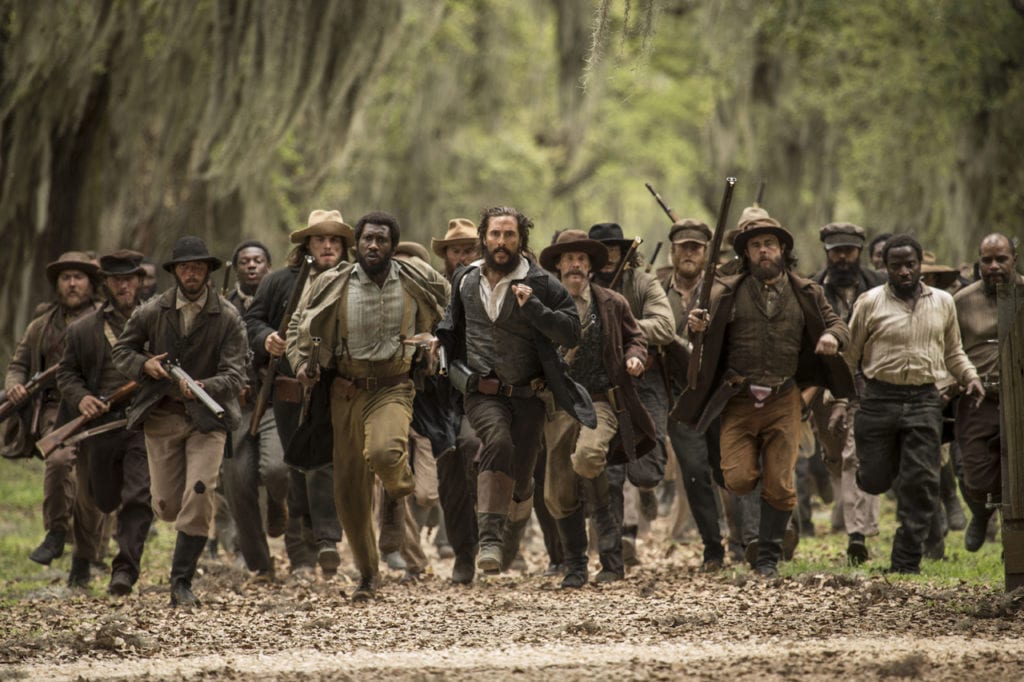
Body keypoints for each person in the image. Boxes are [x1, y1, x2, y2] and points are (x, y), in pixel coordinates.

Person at [676, 216, 854, 578]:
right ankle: (760, 495)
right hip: (738, 399)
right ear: (745, 253)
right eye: (755, 246)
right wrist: (695, 327)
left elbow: (839, 326)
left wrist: (833, 339)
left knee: (781, 485)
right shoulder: (723, 290)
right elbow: (695, 335)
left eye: (769, 244)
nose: (763, 251)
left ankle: (769, 555)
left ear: (782, 249)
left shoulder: (807, 292)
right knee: (738, 478)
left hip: (783, 398)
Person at [287, 211, 447, 601]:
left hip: (393, 384)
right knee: (349, 492)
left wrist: (435, 343)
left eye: (381, 240)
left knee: (384, 452)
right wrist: (301, 363)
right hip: (344, 389)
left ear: (393, 245)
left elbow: (452, 310)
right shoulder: (331, 283)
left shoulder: (415, 278)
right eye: (367, 240)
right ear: (356, 244)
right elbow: (297, 327)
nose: (373, 246)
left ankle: (398, 489)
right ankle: (367, 573)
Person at [436, 206, 594, 576]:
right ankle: (489, 540)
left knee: (522, 482)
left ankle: (510, 531)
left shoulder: (541, 283)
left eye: (509, 235)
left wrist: (536, 309)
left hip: (528, 396)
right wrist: (452, 369)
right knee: (497, 442)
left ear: (521, 239)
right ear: (484, 238)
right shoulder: (465, 279)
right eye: (495, 235)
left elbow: (571, 332)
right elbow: (450, 331)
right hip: (482, 392)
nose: (501, 242)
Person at [833, 234, 983, 574]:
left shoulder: (943, 302)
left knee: (922, 484)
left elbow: (954, 351)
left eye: (910, 265)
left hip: (923, 400)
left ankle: (905, 560)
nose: (904, 272)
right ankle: (891, 468)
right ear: (885, 267)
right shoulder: (869, 302)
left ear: (920, 267)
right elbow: (850, 356)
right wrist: (841, 400)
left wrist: (970, 377)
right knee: (873, 479)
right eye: (896, 265)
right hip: (878, 399)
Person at [112, 235, 248, 606]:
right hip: (162, 417)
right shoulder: (152, 311)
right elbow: (122, 351)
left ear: (207, 271)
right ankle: (179, 564)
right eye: (185, 267)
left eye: (198, 267)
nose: (192, 274)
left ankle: (181, 582)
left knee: (200, 492)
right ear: (175, 272)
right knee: (168, 506)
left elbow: (237, 374)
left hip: (208, 420)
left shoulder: (228, 317)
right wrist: (146, 365)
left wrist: (206, 386)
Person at [538, 230, 653, 587]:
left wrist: (635, 359)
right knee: (558, 493)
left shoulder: (612, 302)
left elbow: (637, 338)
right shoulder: (541, 303)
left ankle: (612, 560)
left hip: (600, 401)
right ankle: (575, 565)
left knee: (589, 459)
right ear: (558, 265)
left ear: (590, 266)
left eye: (582, 259)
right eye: (569, 258)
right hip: (558, 408)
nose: (575, 265)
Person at [245, 211, 348, 576]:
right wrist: (266, 339)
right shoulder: (278, 283)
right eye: (320, 239)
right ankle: (302, 549)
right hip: (287, 393)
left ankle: (325, 541)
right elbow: (252, 322)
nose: (327, 246)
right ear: (308, 244)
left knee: (323, 464)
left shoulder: (353, 281)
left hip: (333, 390)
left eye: (335, 240)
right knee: (291, 468)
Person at [57, 250, 153, 593]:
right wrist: (81, 397)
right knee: (102, 498)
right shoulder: (85, 329)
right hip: (100, 425)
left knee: (139, 495)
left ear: (139, 281)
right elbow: (67, 373)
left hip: (142, 422)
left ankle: (125, 569)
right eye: (116, 280)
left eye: (129, 278)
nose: (124, 285)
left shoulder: (155, 320)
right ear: (106, 284)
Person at [4, 251, 101, 566]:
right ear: (58, 284)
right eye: (66, 278)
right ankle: (56, 532)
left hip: (100, 408)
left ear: (91, 283)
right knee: (58, 462)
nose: (72, 284)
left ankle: (86, 560)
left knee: (94, 489)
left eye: (79, 277)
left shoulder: (106, 319)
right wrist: (16, 385)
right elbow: (18, 365)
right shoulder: (41, 325)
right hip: (55, 409)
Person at [588, 222, 675, 565]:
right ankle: (613, 553)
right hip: (600, 387)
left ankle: (649, 489)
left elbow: (666, 327)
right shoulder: (581, 287)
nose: (609, 257)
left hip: (645, 383)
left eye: (615, 249)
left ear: (626, 252)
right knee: (609, 471)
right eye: (602, 250)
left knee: (645, 472)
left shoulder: (643, 282)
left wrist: (619, 328)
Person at [808, 222, 886, 565]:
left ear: (859, 251)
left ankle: (858, 534)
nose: (842, 257)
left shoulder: (880, 286)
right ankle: (851, 518)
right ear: (827, 252)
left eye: (849, 250)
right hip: (825, 387)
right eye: (836, 251)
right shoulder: (811, 288)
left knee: (858, 455)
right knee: (834, 456)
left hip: (869, 385)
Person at [658, 219, 726, 572]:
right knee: (696, 471)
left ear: (705, 253)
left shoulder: (721, 291)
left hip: (719, 396)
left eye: (696, 248)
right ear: (672, 250)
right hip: (678, 399)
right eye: (683, 247)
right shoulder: (656, 291)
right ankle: (713, 547)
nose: (689, 254)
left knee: (728, 469)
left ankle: (749, 543)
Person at [221, 239, 290, 581]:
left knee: (277, 469)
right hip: (235, 406)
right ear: (236, 268)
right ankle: (260, 564)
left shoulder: (282, 298)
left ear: (269, 265)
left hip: (273, 400)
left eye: (258, 260)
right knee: (237, 482)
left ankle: (279, 503)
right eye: (245, 260)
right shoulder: (220, 306)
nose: (251, 265)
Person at [954, 233, 1021, 551]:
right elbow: (949, 348)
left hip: (1020, 398)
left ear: (1014, 259)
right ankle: (981, 511)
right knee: (975, 476)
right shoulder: (961, 301)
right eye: (987, 260)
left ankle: (1015, 540)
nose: (994, 266)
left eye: (1001, 259)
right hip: (979, 395)